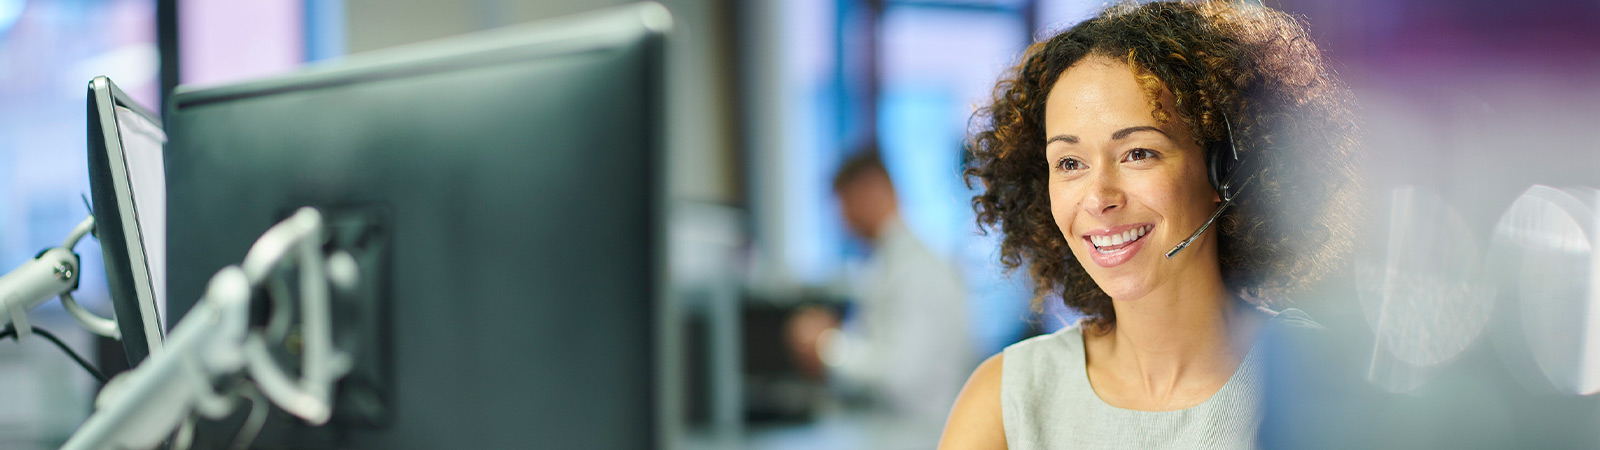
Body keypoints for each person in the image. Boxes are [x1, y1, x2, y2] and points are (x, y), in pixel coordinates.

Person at [938, 1, 1361, 448]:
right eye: (1069, 162)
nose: (1099, 198)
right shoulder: (1006, 400)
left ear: (1229, 169)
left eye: (1138, 153)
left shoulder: (1324, 385)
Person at [787, 150, 976, 424]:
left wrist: (828, 345)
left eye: (843, 204)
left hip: (916, 433)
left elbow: (902, 376)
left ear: (869, 191)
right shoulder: (887, 263)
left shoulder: (917, 270)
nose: (841, 219)